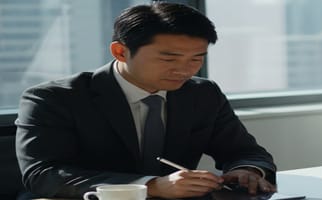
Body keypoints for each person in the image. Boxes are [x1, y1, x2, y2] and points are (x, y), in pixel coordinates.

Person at [15, 2, 277, 199]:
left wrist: (248, 170)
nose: (185, 70)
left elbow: (245, 152)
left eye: (197, 58)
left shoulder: (202, 93)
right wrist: (150, 185)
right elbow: (43, 176)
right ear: (120, 51)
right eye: (169, 59)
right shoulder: (55, 98)